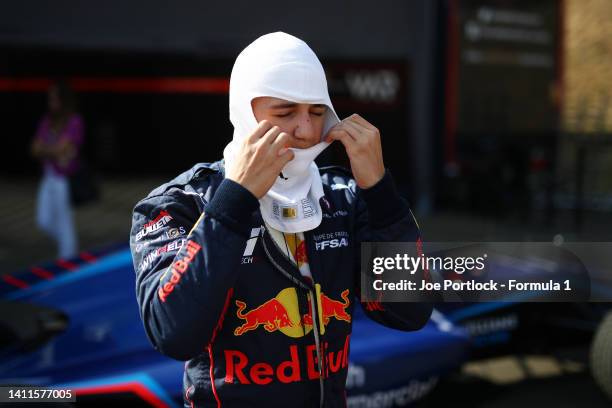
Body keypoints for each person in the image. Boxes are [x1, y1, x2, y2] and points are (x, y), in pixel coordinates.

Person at [130, 32, 432, 408]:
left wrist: (381, 194)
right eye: (286, 113)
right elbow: (173, 333)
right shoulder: (178, 205)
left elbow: (409, 312)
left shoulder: (345, 196)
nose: (306, 131)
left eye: (317, 112)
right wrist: (234, 202)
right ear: (245, 111)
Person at [31, 80, 83, 259]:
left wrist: (47, 149)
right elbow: (35, 148)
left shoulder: (74, 121)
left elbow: (64, 149)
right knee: (43, 221)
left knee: (64, 223)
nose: (51, 102)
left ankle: (67, 259)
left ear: (63, 99)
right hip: (48, 176)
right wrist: (54, 151)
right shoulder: (47, 121)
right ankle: (67, 250)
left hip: (63, 179)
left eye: (54, 98)